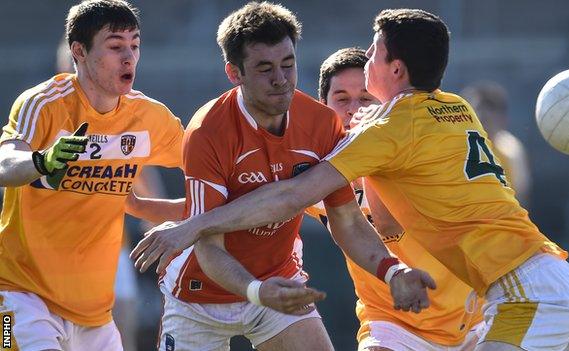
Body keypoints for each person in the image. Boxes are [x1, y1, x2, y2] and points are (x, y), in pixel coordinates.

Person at [132, 8, 569, 351]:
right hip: (419, 317)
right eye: (341, 97)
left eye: (374, 54)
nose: (355, 100)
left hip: (509, 298)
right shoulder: (453, 106)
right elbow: (244, 204)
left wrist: (191, 226)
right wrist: (158, 211)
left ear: (394, 71)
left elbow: (313, 202)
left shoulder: (378, 135)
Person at [138, 3, 432, 351]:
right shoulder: (208, 132)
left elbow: (348, 221)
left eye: (287, 64)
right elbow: (207, 242)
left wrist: (393, 272)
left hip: (279, 279)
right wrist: (257, 291)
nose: (280, 79)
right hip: (201, 295)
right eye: (264, 69)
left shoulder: (322, 124)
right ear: (234, 73)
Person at [0, 1, 185, 350]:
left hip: (95, 314)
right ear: (78, 52)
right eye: (116, 47)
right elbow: (5, 163)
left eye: (135, 45)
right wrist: (41, 163)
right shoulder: (42, 103)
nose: (129, 56)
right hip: (20, 298)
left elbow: (208, 168)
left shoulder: (150, 117)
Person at [308, 47, 484, 351]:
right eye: (341, 99)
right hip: (391, 321)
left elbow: (388, 226)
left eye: (365, 99)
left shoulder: (418, 145)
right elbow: (276, 196)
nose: (352, 110)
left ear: (384, 101)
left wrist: (371, 141)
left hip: (473, 318)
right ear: (322, 107)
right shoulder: (316, 169)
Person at [461, 81, 531, 207]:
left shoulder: (511, 152)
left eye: (484, 120)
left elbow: (520, 195)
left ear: (502, 119)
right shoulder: (454, 148)